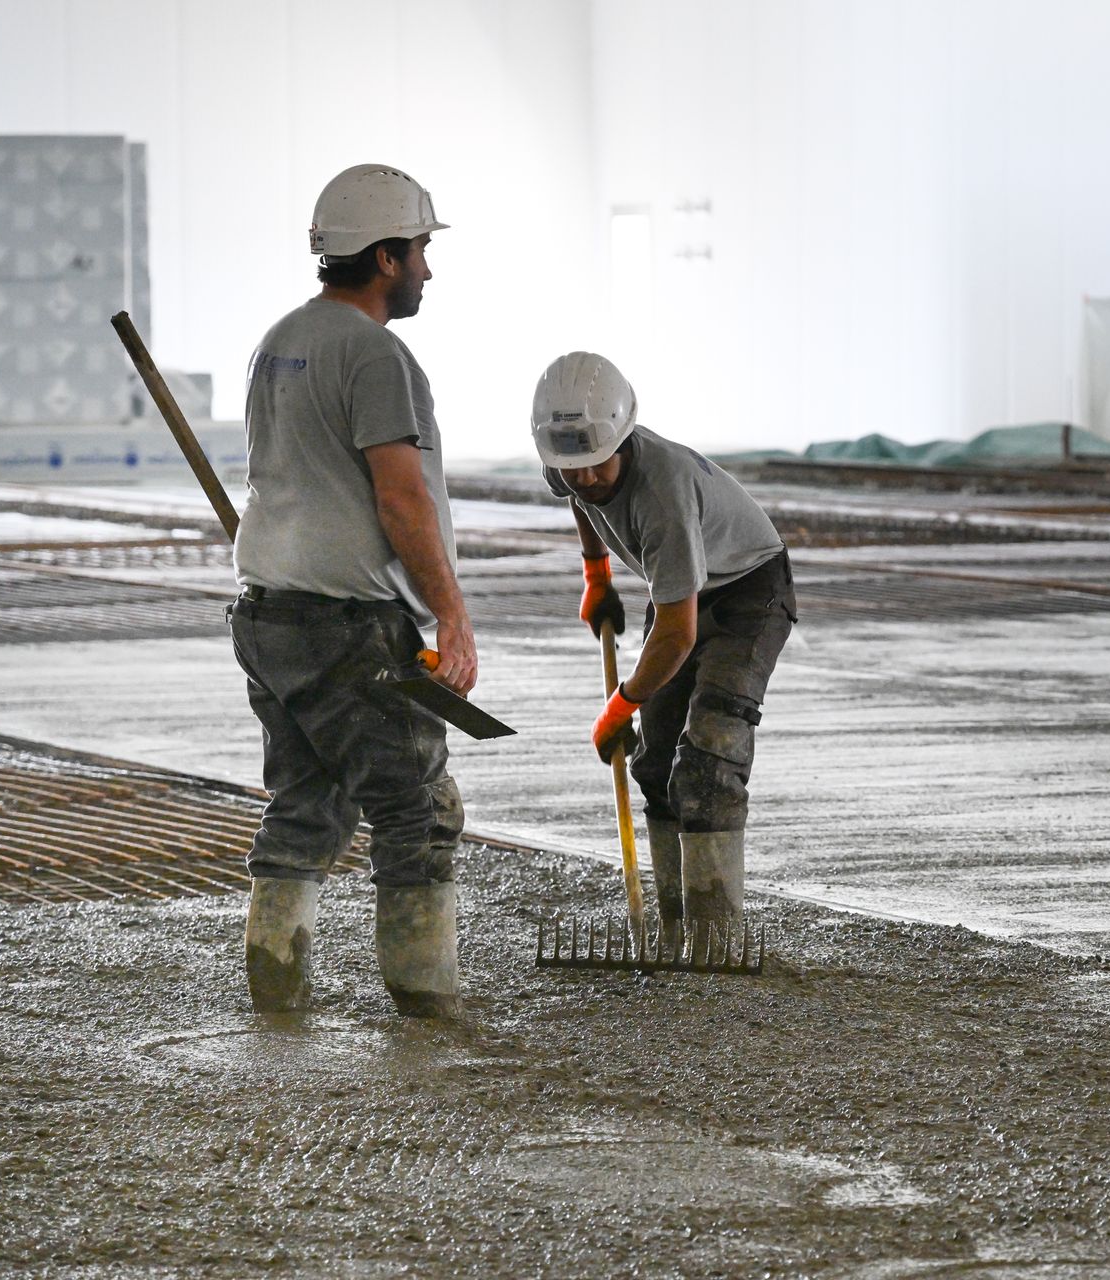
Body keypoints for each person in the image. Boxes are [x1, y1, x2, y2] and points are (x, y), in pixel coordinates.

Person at [230, 163, 474, 1019]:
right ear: (383, 257)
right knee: (418, 808)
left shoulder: (279, 340)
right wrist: (451, 615)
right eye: (417, 251)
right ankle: (424, 1000)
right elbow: (400, 495)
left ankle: (277, 984)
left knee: (310, 798)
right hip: (347, 623)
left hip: (267, 615)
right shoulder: (375, 354)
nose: (427, 270)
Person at [532, 352, 796, 944]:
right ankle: (674, 929)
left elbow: (677, 633)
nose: (586, 478)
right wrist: (596, 573)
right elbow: (580, 500)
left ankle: (714, 937)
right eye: (572, 467)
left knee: (709, 761)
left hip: (748, 590)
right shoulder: (570, 459)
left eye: (598, 464)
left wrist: (620, 705)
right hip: (682, 588)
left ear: (622, 437)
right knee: (654, 766)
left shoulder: (663, 495)